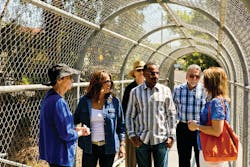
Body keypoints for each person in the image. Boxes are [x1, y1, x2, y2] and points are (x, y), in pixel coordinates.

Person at [39, 63, 91, 167]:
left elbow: (58, 127)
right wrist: (80, 132)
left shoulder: (50, 98)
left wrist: (76, 129)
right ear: (59, 80)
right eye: (69, 77)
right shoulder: (58, 102)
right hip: (61, 156)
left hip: (55, 155)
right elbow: (66, 134)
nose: (72, 80)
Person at [126, 62, 176, 167]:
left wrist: (171, 136)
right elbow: (130, 115)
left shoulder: (165, 91)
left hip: (161, 140)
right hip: (142, 140)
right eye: (152, 73)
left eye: (157, 73)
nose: (156, 76)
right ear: (144, 74)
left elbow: (171, 114)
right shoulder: (135, 92)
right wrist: (132, 135)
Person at [74, 70, 126, 167]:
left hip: (108, 147)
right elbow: (74, 120)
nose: (109, 84)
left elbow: (121, 126)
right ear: (97, 83)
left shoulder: (115, 101)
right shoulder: (84, 101)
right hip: (89, 147)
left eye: (110, 81)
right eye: (106, 81)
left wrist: (122, 145)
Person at [188, 67, 231, 167]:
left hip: (212, 150)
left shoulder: (216, 102)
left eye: (204, 79)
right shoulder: (220, 100)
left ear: (210, 82)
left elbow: (217, 131)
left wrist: (197, 126)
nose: (202, 82)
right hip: (212, 150)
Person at [173, 64, 206, 167]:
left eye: (197, 76)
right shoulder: (178, 89)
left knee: (201, 158)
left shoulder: (205, 90)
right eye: (191, 76)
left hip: (199, 128)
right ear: (186, 76)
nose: (194, 78)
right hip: (183, 127)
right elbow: (172, 110)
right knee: (183, 159)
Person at [122, 60, 145, 167]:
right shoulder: (129, 89)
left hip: (147, 130)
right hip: (133, 129)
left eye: (143, 70)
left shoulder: (150, 87)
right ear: (134, 73)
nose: (141, 72)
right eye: (138, 70)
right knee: (131, 161)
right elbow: (124, 110)